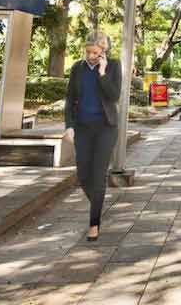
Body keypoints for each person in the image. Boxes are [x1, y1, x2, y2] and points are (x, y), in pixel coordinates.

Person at [64, 31, 123, 241]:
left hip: (106, 128)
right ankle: (98, 201)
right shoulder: (77, 68)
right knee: (83, 174)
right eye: (88, 51)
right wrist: (69, 126)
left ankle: (94, 223)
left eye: (95, 53)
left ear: (103, 52)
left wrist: (103, 72)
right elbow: (70, 99)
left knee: (98, 176)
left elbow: (114, 95)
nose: (90, 56)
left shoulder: (114, 66)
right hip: (83, 128)